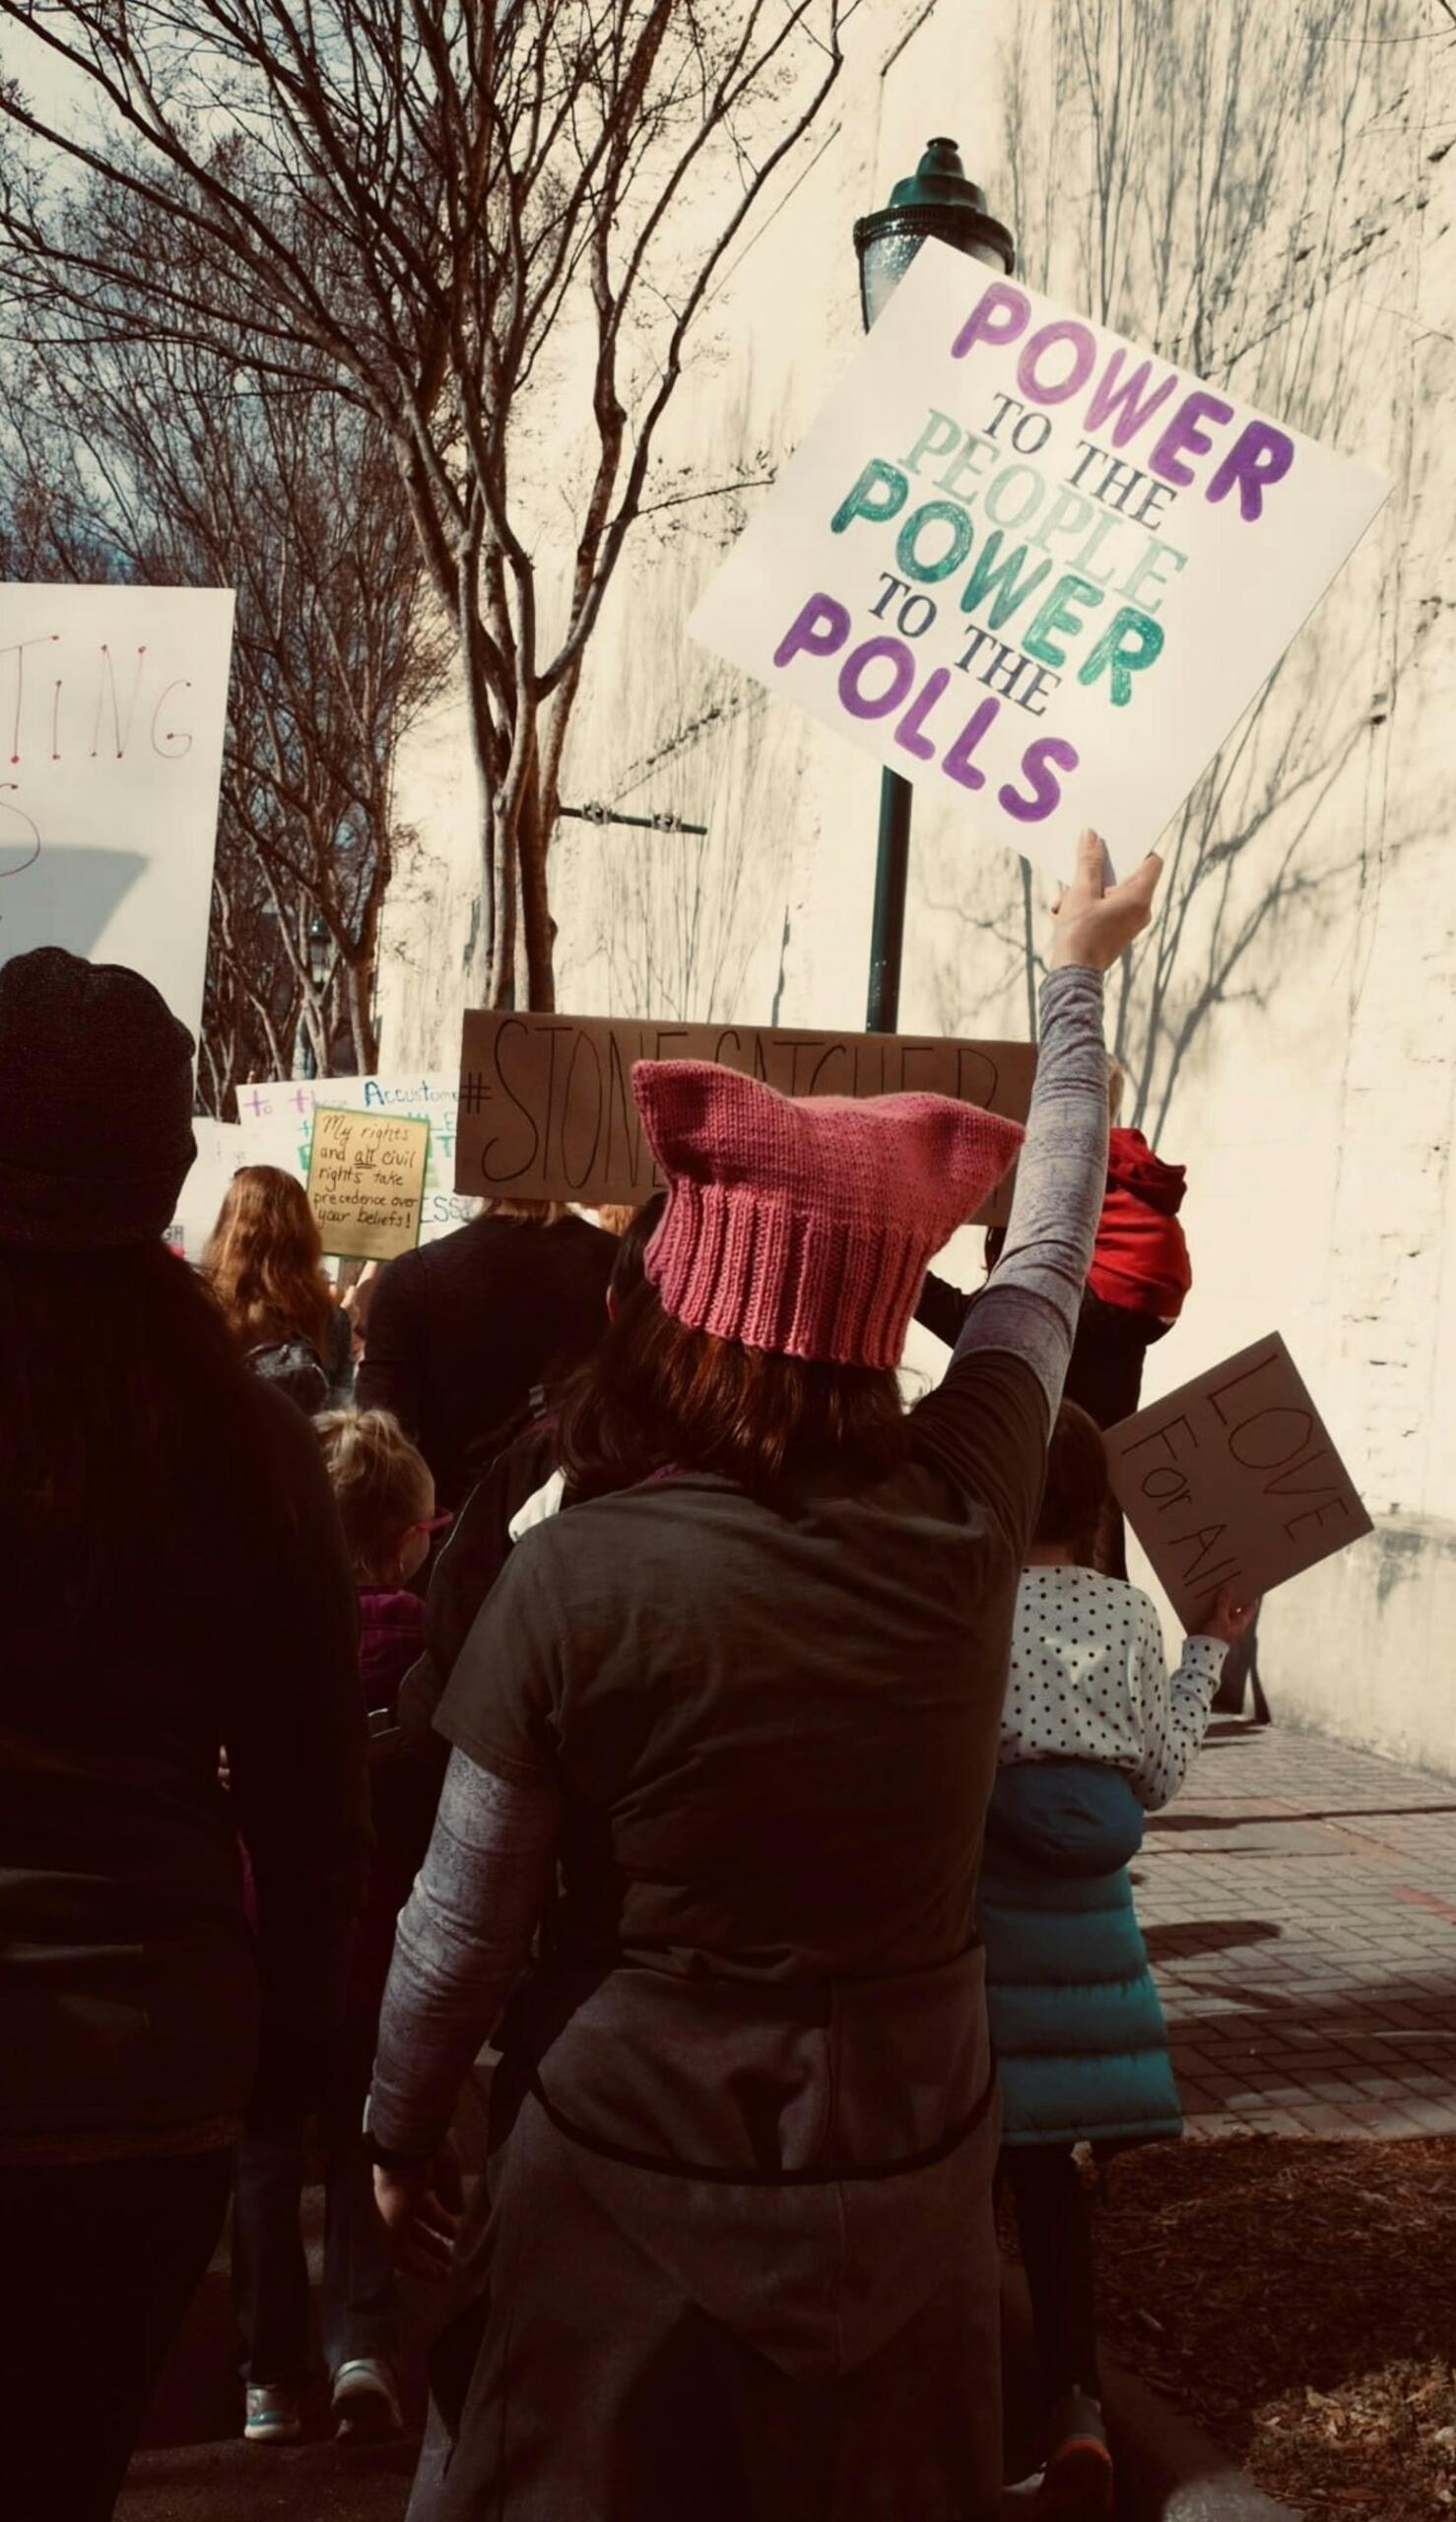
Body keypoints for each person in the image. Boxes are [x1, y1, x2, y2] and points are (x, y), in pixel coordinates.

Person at [364, 832, 1159, 2522]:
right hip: (910, 2196)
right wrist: (1073, 979)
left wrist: (397, 2121)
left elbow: (460, 1924)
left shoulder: (574, 1573)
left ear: (668, 1313)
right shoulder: (966, 1511)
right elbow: (1041, 1257)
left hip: (618, 2209)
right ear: (877, 1321)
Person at [0, 947, 367, 2522]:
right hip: (148, 2074)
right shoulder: (253, 1437)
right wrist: (295, 2064)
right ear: (162, 1163)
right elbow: (312, 1802)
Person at [980, 1400, 1257, 2514]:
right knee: (1051, 2185)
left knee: (964, 2171)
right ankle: (1076, 2405)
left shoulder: (973, 1606)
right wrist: (1209, 1646)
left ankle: (954, 2406)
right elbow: (1157, 1772)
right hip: (1088, 1930)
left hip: (987, 1929)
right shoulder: (1130, 1616)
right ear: (1097, 1505)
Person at [232, 1409, 448, 2448]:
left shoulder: (264, 1642)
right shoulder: (428, 1648)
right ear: (409, 1535)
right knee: (365, 2148)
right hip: (386, 1947)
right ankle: (362, 2344)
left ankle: (270, 2375)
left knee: (265, 2150)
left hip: (269, 1940)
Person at [396, 1194, 667, 1751]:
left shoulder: (416, 1277)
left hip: (457, 1574)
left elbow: (387, 1429)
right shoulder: (823, 1494)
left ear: (614, 1307)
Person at [918, 1078, 1191, 1577]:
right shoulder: (1119, 1176)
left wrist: (901, 1266)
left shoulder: (1061, 1174)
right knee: (1095, 1511)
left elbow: (980, 1327)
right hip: (1099, 1433)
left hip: (1049, 1463)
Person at [356, 1198, 618, 1518]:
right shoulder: (622, 1267)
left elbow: (381, 1437)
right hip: (587, 1524)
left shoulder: (413, 1275)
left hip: (446, 1533)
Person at [204, 1162, 354, 1409]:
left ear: (229, 1229)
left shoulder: (202, 1311)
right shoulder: (332, 1320)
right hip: (303, 1446)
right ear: (304, 1233)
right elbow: (339, 1417)